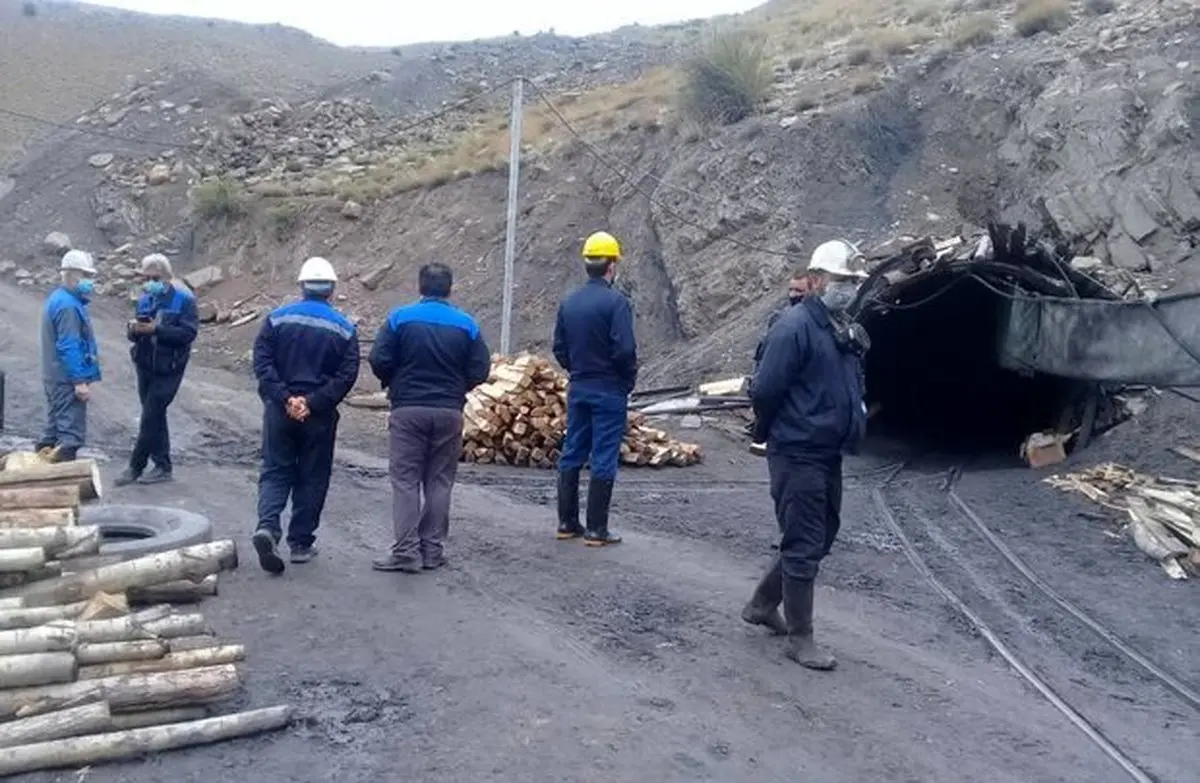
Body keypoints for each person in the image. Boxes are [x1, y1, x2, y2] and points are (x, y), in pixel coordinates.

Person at [743, 239, 871, 671]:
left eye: (853, 281)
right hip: (798, 451)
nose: (848, 288)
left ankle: (762, 604)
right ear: (816, 280)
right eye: (841, 279)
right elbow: (765, 390)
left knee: (822, 534)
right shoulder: (793, 328)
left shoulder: (837, 327)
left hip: (826, 451)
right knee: (802, 542)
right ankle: (801, 638)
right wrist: (779, 430)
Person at [368, 263, 491, 573]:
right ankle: (432, 550)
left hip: (408, 409)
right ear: (450, 289)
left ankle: (406, 552)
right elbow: (480, 369)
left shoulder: (399, 318)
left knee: (406, 481)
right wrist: (458, 387)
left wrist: (395, 381)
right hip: (449, 411)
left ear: (420, 286)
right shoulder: (467, 324)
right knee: (439, 481)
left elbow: (379, 358)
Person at [250, 257, 360, 574]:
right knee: (313, 476)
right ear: (332, 289)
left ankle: (268, 526)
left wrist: (285, 398)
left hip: (279, 410)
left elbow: (262, 363)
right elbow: (347, 375)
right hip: (319, 416)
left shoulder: (277, 319)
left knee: (275, 470)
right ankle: (300, 543)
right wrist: (312, 402)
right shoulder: (344, 328)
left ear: (301, 286)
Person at [553, 231, 638, 547]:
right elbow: (625, 349)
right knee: (604, 454)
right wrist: (626, 379)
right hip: (609, 388)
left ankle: (566, 522)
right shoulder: (616, 303)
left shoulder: (570, 302)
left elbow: (559, 347)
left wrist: (576, 368)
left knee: (572, 450)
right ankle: (596, 528)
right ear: (612, 265)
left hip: (580, 385)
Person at [115, 254, 198, 486]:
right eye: (146, 278)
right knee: (155, 415)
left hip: (170, 367)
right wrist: (134, 330)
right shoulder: (144, 299)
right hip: (145, 365)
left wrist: (156, 330)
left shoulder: (184, 300)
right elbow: (134, 333)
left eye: (155, 278)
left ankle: (135, 466)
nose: (150, 282)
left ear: (167, 277)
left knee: (151, 414)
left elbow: (188, 334)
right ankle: (163, 465)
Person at [37, 250, 101, 463]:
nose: (90, 281)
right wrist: (79, 381)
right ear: (73, 275)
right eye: (86, 275)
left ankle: (37, 470)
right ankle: (61, 477)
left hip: (55, 376)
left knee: (53, 431)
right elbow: (69, 346)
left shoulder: (59, 299)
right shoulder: (69, 306)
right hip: (65, 380)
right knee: (69, 437)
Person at [748, 270, 812, 454]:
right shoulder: (780, 319)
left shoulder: (814, 325)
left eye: (799, 291)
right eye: (791, 290)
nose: (793, 295)